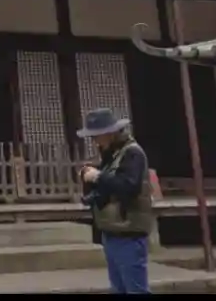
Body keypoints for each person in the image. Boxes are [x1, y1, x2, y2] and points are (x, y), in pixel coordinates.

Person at [78, 108, 153, 295]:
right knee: (118, 288)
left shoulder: (132, 153)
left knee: (135, 289)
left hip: (129, 230)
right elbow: (109, 188)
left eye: (96, 136)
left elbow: (129, 186)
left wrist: (98, 176)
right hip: (112, 229)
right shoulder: (112, 154)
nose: (94, 141)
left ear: (109, 133)